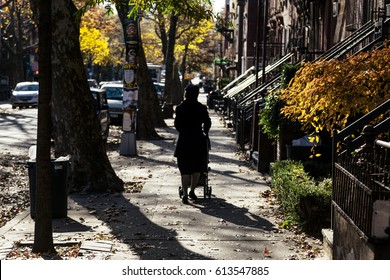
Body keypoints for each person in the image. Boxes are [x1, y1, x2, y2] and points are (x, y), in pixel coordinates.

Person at [174, 84, 212, 204]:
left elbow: (177, 124)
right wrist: (205, 132)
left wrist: (183, 131)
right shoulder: (201, 108)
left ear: (186, 94)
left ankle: (185, 194)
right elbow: (207, 122)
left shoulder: (180, 108)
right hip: (198, 139)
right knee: (196, 167)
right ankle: (192, 190)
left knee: (184, 169)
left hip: (184, 139)